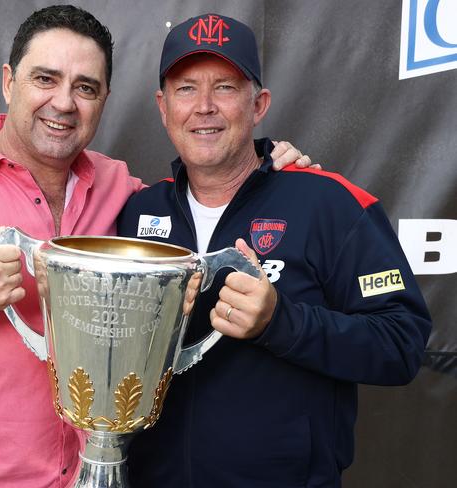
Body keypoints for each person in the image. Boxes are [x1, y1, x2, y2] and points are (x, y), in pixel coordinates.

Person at [0, 5, 313, 488]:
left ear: (103, 100)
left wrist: (270, 170)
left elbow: (206, 199)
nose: (64, 102)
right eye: (45, 78)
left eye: (85, 87)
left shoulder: (121, 189)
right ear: (8, 81)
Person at [117, 13, 432, 488]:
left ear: (258, 103)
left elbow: (401, 343)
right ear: (163, 107)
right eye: (185, 89)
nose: (203, 107)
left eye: (224, 87)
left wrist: (279, 322)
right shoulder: (136, 213)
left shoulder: (330, 204)